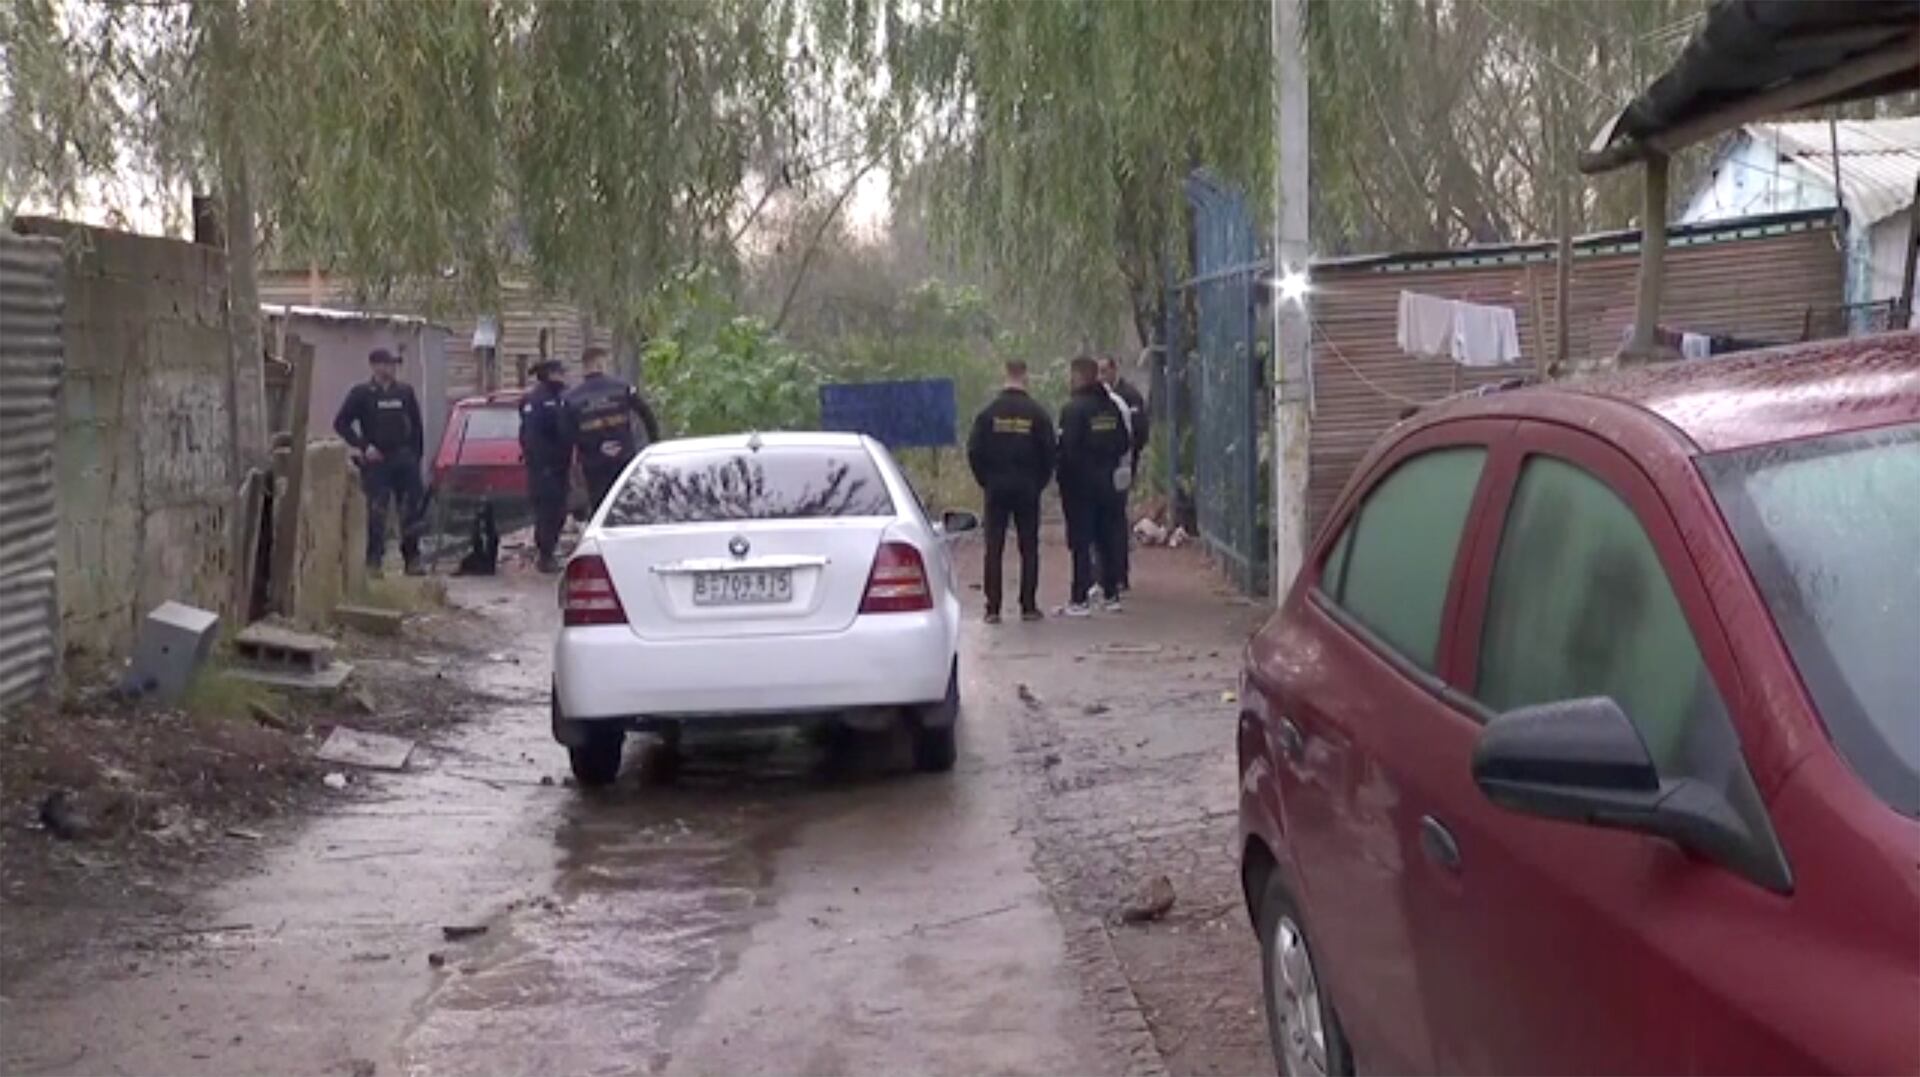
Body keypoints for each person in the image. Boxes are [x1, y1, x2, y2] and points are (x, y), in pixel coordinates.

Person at [966, 359, 1055, 624]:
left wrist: (986, 480)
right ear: (1025, 376)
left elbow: (974, 451)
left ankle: (993, 608)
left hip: (996, 488)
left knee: (994, 547)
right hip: (1027, 488)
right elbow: (1050, 453)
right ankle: (1028, 606)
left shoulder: (988, 413)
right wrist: (1038, 482)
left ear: (1004, 374)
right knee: (1029, 547)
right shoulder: (1037, 414)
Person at [332, 348, 427, 577]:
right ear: (375, 366)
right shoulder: (362, 393)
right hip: (378, 462)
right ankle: (374, 562)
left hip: (404, 460)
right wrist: (364, 446)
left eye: (394, 365)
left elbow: (417, 427)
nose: (391, 369)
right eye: (387, 364)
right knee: (377, 513)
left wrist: (415, 457)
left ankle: (412, 559)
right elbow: (341, 423)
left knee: (411, 511)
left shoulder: (404, 392)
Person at [1056, 355, 1131, 616]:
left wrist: (1064, 480)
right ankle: (1111, 594)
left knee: (1080, 542)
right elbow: (1124, 442)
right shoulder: (1110, 407)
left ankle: (1079, 599)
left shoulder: (1073, 410)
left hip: (1081, 487)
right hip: (1108, 484)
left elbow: (1067, 451)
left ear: (1078, 377)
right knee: (1106, 538)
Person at [563, 346, 662, 514]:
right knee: (627, 501)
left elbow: (566, 434)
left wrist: (575, 460)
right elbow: (646, 414)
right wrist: (654, 443)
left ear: (585, 366)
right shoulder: (622, 388)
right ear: (601, 364)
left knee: (600, 506)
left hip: (593, 461)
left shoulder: (572, 398)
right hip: (624, 456)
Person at [1097, 353, 1149, 594]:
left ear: (1114, 370)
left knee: (1116, 519)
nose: (1102, 377)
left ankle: (1119, 574)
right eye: (1098, 372)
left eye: (1105, 371)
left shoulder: (1129, 396)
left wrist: (1128, 460)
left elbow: (1139, 433)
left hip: (1122, 467)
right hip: (1101, 469)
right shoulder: (1097, 399)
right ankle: (1104, 573)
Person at [519, 358, 571, 573]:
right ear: (549, 375)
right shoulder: (539, 400)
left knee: (558, 511)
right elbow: (531, 437)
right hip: (544, 467)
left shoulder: (557, 397)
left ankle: (549, 551)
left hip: (558, 466)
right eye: (559, 372)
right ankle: (545, 555)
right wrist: (541, 464)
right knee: (547, 512)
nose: (563, 376)